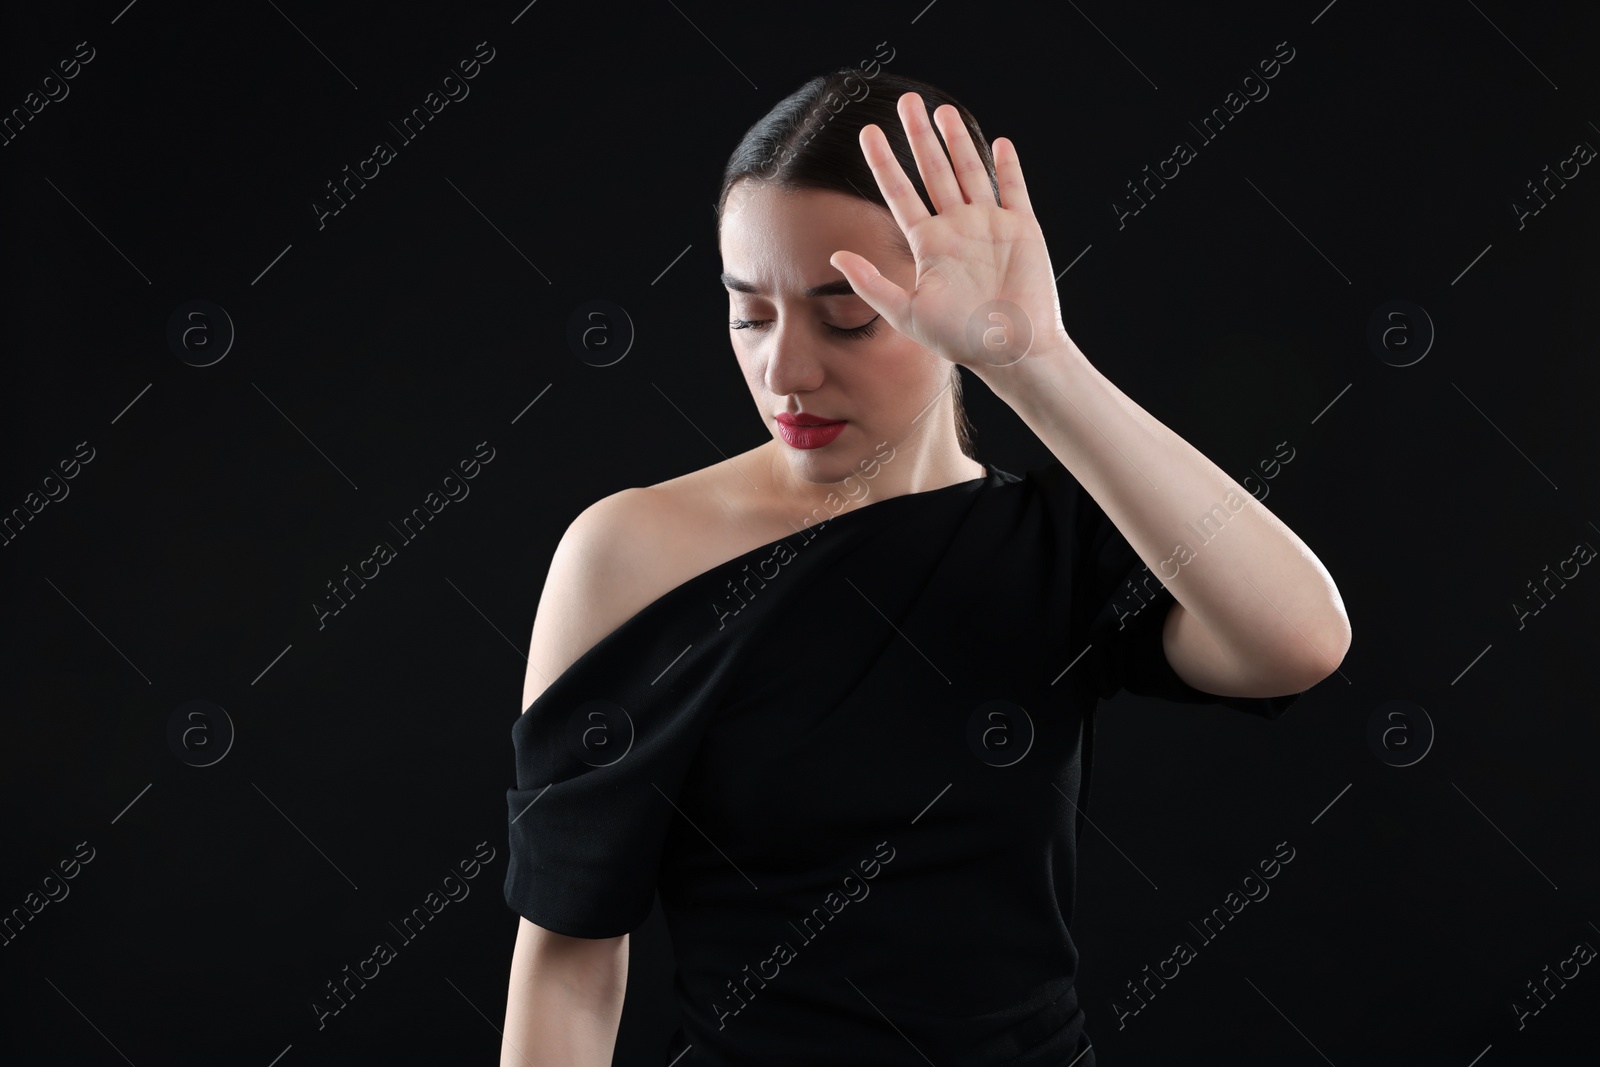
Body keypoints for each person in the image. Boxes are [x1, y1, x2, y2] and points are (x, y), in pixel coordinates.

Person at [498, 67, 1350, 1066]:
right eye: (749, 312)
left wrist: (1033, 358)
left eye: (847, 314)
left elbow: (1299, 640)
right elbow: (567, 958)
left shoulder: (1054, 545)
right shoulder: (628, 552)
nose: (786, 370)